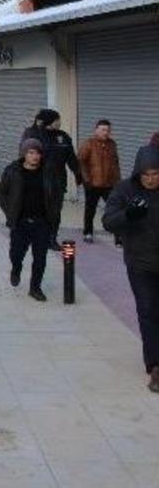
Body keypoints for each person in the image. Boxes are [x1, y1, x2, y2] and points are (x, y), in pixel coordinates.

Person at [103, 144, 159, 393]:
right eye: (145, 175)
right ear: (138, 173)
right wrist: (129, 214)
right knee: (147, 311)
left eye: (155, 174)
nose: (150, 179)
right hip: (140, 263)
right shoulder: (124, 190)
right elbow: (108, 222)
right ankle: (155, 365)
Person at [0, 139, 59, 302]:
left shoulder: (48, 171)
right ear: (24, 154)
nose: (35, 156)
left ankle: (35, 287)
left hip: (42, 222)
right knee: (16, 253)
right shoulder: (13, 171)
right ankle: (16, 268)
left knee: (40, 257)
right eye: (31, 152)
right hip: (20, 222)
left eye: (38, 153)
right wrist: (9, 211)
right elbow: (2, 192)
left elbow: (56, 193)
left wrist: (54, 212)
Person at [22, 109, 83, 247]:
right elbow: (24, 157)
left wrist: (79, 175)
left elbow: (71, 158)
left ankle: (51, 238)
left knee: (55, 211)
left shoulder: (63, 137)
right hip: (38, 180)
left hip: (58, 180)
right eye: (57, 120)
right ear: (49, 121)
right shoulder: (34, 135)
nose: (59, 122)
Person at [78, 119, 122, 244]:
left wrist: (118, 182)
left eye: (108, 130)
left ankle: (118, 237)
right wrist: (86, 180)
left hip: (109, 184)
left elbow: (115, 164)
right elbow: (80, 162)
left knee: (115, 210)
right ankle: (88, 232)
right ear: (96, 130)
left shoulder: (112, 144)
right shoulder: (89, 144)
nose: (105, 132)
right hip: (93, 184)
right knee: (90, 209)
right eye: (103, 129)